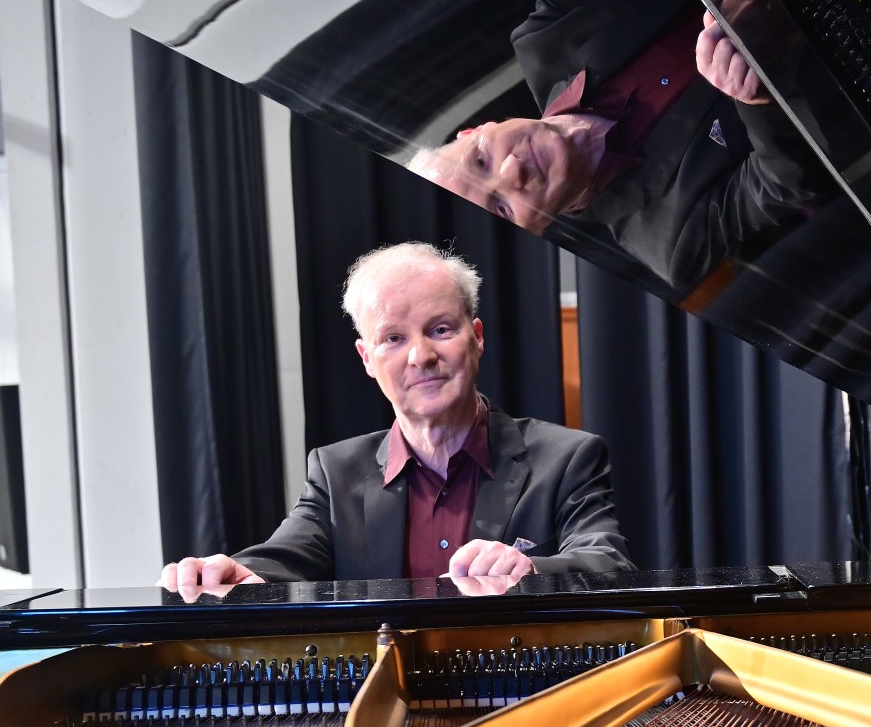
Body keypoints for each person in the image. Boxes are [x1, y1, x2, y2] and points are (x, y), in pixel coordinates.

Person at [159, 242, 633, 595]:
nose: (420, 356)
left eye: (440, 329)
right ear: (367, 358)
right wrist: (236, 573)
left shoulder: (567, 458)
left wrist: (531, 570)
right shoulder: (335, 472)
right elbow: (286, 557)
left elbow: (610, 564)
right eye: (393, 339)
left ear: (478, 337)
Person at [409, 0, 827, 292]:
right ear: (530, 232)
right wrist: (757, 95)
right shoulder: (670, 242)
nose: (512, 171)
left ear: (476, 131)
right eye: (501, 208)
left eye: (480, 162)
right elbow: (789, 181)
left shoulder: (547, 41)